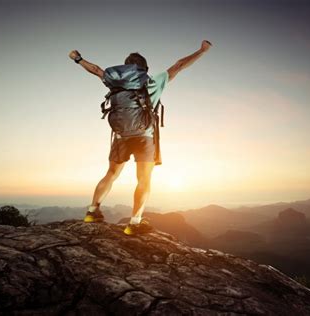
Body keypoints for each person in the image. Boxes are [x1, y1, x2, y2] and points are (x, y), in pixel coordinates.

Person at [68, 40, 212, 235]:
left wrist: (78, 59)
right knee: (144, 179)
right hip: (144, 137)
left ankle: (92, 211)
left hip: (121, 135)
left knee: (111, 174)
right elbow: (179, 65)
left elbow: (95, 69)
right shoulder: (152, 81)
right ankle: (134, 223)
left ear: (125, 67)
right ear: (145, 68)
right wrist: (201, 51)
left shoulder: (113, 81)